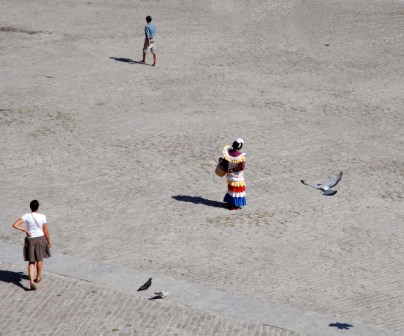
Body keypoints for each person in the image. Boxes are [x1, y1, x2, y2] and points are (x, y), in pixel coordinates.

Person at [12, 200, 52, 290]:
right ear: (38, 207)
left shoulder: (26, 216)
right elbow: (46, 231)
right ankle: (38, 277)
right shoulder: (42, 216)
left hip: (30, 240)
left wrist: (24, 230)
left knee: (31, 261)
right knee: (39, 259)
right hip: (40, 239)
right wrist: (49, 240)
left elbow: (14, 225)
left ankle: (31, 281)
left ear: (30, 207)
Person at [221, 138, 247, 210]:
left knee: (231, 190)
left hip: (230, 176)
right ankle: (234, 204)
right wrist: (234, 169)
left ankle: (230, 203)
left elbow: (225, 164)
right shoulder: (242, 156)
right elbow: (242, 167)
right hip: (238, 176)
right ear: (240, 146)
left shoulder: (228, 153)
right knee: (237, 191)